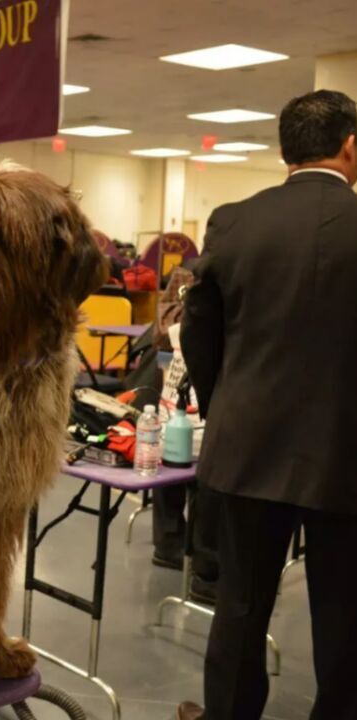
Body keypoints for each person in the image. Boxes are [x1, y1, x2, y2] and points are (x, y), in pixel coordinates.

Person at [176, 89, 357, 720]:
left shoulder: (233, 221)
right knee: (345, 616)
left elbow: (198, 332)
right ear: (351, 146)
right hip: (347, 455)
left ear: (285, 151)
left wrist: (225, 406)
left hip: (248, 449)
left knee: (240, 606)